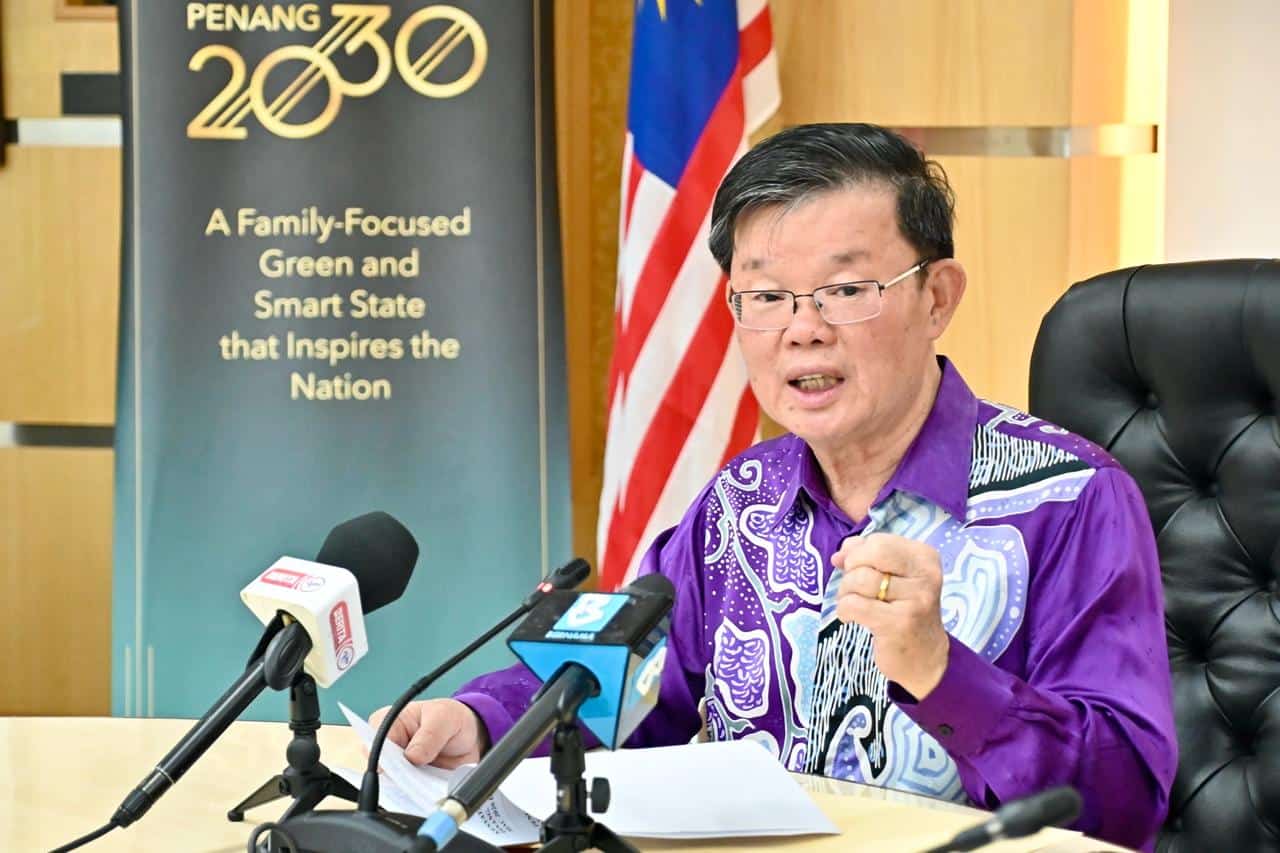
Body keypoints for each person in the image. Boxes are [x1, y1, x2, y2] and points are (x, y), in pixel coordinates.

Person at [371, 123, 1177, 849]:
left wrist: (943, 671)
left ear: (937, 298)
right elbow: (626, 685)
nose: (802, 329)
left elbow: (1125, 804)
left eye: (846, 291)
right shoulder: (739, 501)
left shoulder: (1070, 501)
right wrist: (481, 719)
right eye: (765, 297)